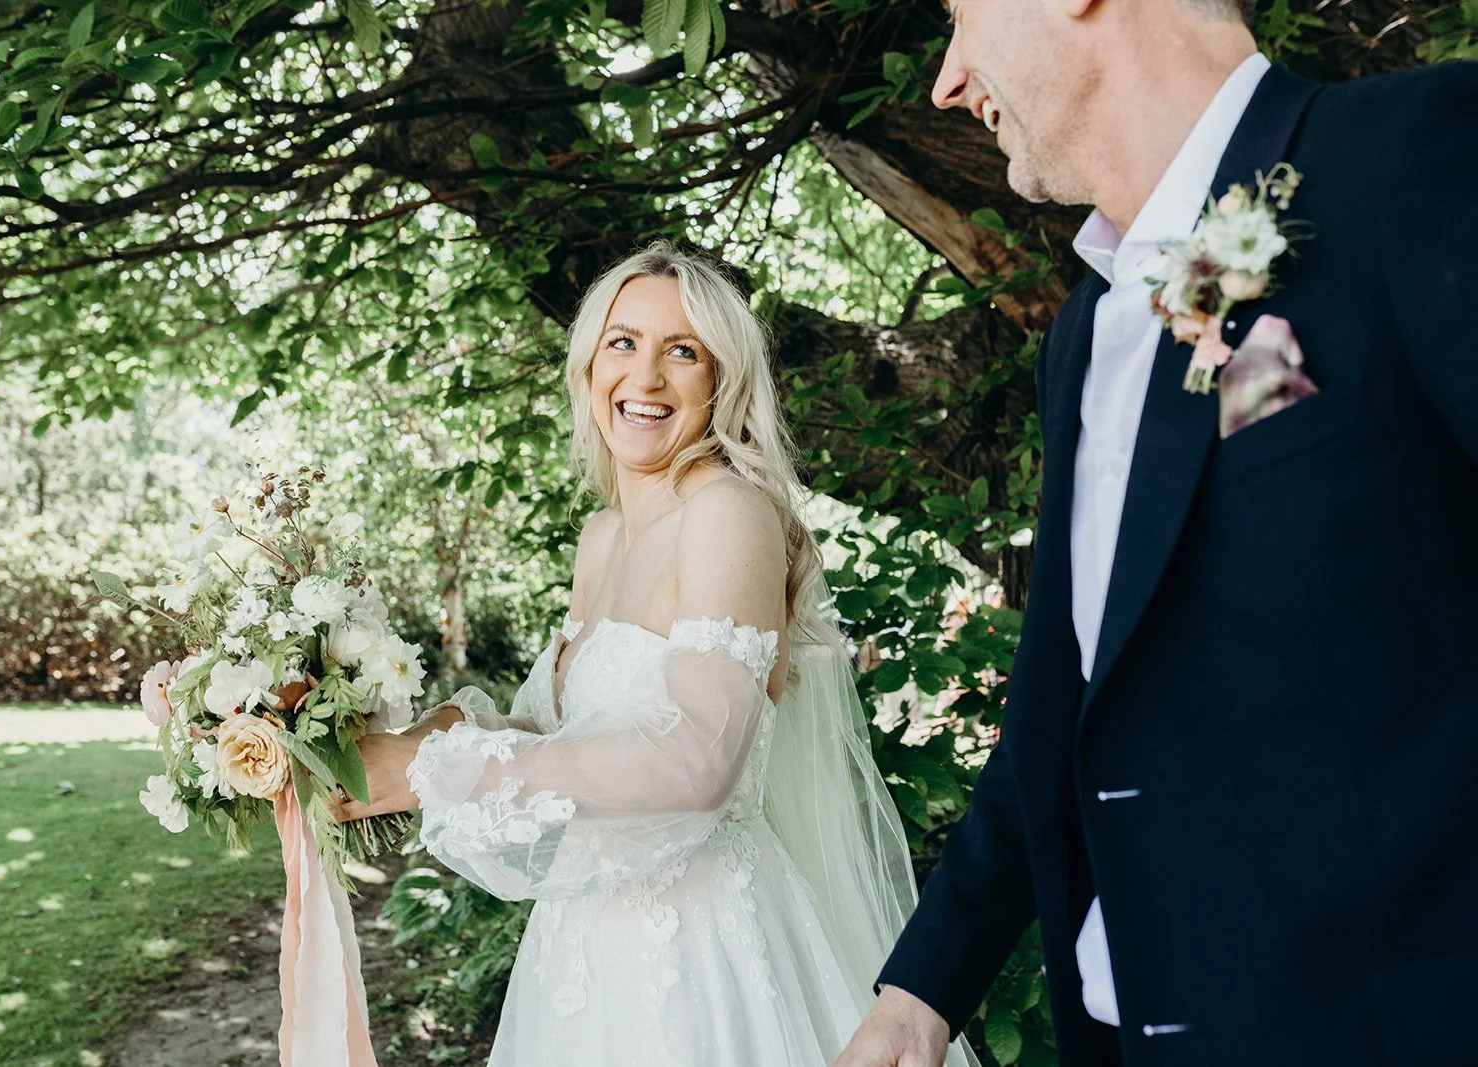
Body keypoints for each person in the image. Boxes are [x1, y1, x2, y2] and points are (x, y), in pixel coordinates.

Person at [835, 1, 1478, 1065]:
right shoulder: (1090, 334)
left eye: (959, 16)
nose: (946, 81)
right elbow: (1073, 702)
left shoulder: (1414, 154)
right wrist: (921, 988)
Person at [339, 242, 980, 1067]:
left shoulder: (731, 512)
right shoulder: (602, 536)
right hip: (581, 951)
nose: (644, 378)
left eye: (683, 352)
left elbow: (696, 762)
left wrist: (439, 769)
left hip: (698, 953)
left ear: (722, 380)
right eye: (623, 342)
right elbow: (549, 729)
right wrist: (379, 741)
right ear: (587, 365)